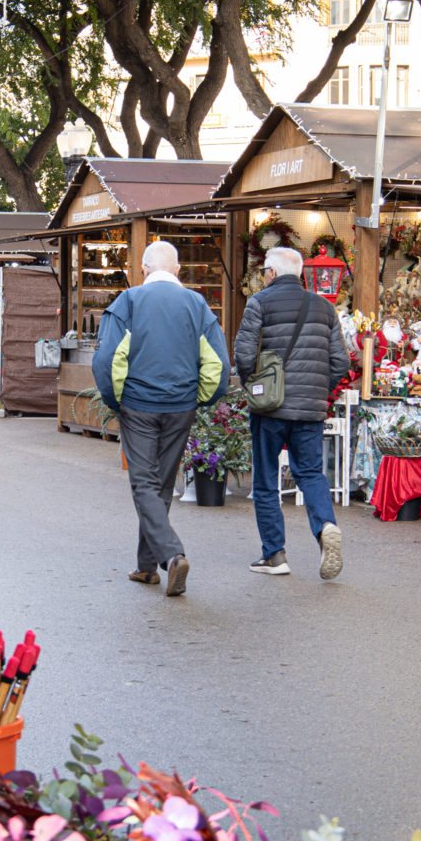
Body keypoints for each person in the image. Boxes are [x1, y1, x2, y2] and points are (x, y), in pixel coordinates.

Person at [92, 240, 229, 597]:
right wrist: (201, 398)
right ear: (179, 270)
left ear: (143, 269)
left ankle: (171, 554)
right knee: (162, 483)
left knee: (143, 483)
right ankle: (146, 566)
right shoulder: (197, 304)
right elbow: (218, 363)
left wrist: (114, 399)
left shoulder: (130, 301)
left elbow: (106, 358)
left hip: (138, 403)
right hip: (180, 404)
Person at [233, 246, 350, 580]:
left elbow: (243, 353)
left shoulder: (260, 302)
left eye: (263, 273)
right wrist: (318, 390)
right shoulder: (325, 307)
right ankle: (326, 525)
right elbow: (341, 361)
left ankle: (275, 555)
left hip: (270, 408)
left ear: (271, 273)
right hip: (310, 410)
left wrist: (254, 387)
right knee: (311, 473)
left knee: (267, 478)